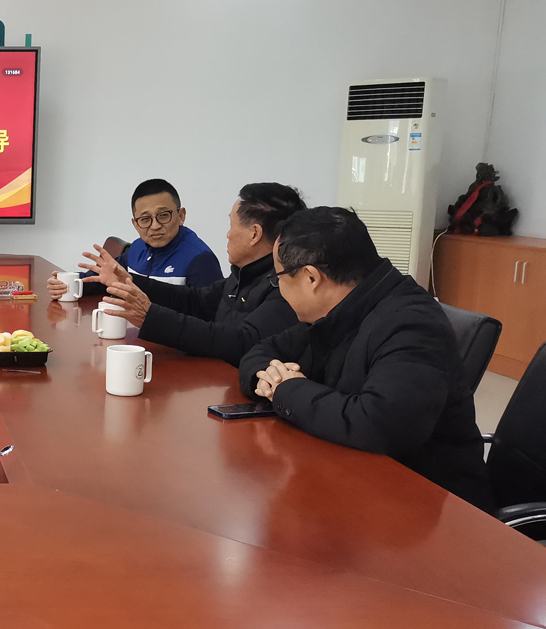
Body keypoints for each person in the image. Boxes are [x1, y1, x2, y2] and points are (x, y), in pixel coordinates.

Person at [239, 207, 492, 513]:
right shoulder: (342, 307)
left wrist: (287, 390)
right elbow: (261, 351)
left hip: (429, 508)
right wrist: (265, 377)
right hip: (358, 483)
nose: (277, 287)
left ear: (311, 277)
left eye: (277, 277)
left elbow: (381, 424)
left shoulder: (411, 323)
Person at [46, 183, 305, 365]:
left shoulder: (286, 286)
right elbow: (195, 300)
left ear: (254, 234)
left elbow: (240, 342)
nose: (226, 234)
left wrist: (150, 317)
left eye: (230, 225)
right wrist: (129, 281)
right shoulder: (242, 275)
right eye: (145, 219)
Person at [74, 179, 223, 291]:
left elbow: (208, 316)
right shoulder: (137, 248)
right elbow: (105, 278)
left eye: (163, 215)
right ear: (135, 224)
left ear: (181, 216)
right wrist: (69, 283)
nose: (155, 226)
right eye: (145, 219)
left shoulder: (200, 260)